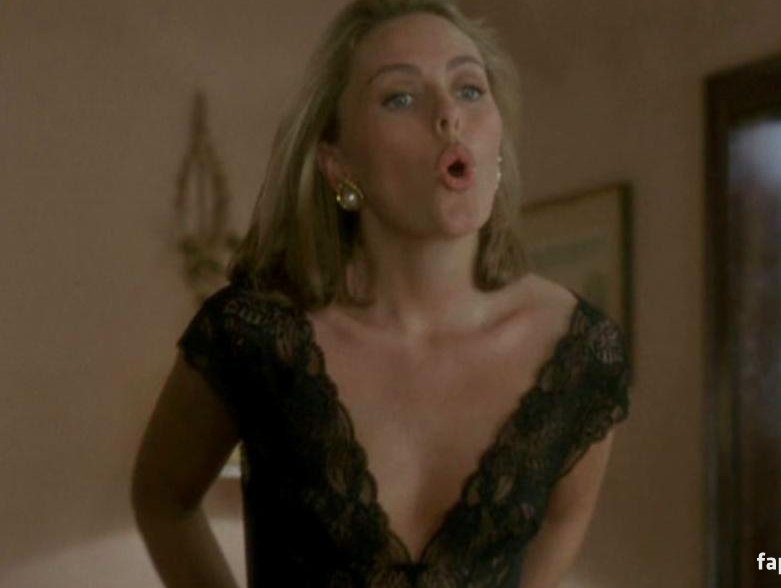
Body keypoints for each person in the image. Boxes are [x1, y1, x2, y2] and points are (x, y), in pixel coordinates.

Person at [130, 0, 631, 586]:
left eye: (470, 89)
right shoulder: (254, 337)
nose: (449, 115)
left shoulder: (579, 352)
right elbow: (162, 500)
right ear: (339, 165)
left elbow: (561, 528)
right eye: (400, 97)